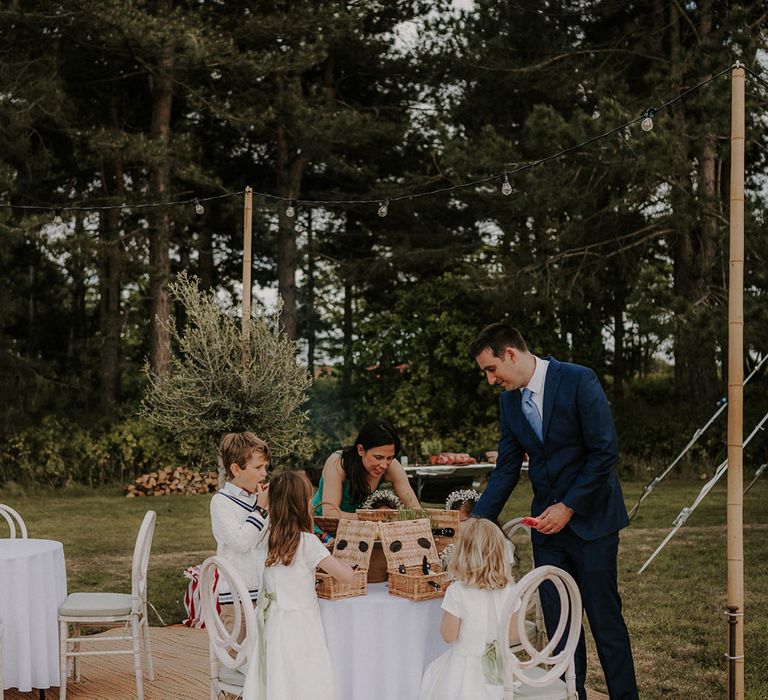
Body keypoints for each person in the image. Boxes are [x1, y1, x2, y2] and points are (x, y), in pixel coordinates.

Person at [469, 323, 638, 700]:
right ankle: (570, 695)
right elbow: (507, 468)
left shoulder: (579, 380)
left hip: (593, 523)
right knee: (561, 628)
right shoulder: (509, 402)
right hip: (547, 531)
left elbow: (604, 452)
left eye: (491, 369)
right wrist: (476, 521)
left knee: (604, 623)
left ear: (510, 354)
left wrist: (569, 506)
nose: (490, 380)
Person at [261, 470, 354, 700]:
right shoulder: (308, 542)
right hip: (302, 625)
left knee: (282, 674)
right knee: (309, 675)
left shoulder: (265, 536)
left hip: (273, 621)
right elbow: (345, 577)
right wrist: (348, 566)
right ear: (303, 505)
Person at [418, 518, 520, 700]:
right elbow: (514, 635)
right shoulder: (510, 591)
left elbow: (448, 636)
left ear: (463, 554)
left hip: (464, 670)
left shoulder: (457, 592)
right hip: (500, 666)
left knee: (432, 678)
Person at [210, 431, 271, 639]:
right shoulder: (221, 502)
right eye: (258, 467)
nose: (264, 473)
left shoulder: (261, 498)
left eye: (265, 467)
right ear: (236, 469)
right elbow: (240, 542)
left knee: (263, 656)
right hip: (236, 596)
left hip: (265, 592)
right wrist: (261, 510)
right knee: (238, 658)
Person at [312, 418, 420, 518]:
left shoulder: (392, 466)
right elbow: (330, 514)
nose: (384, 465)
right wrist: (371, 518)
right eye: (378, 457)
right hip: (320, 528)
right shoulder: (337, 463)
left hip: (359, 530)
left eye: (389, 458)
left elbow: (415, 509)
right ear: (360, 450)